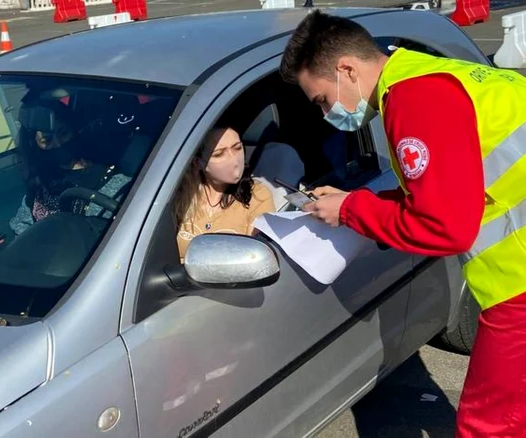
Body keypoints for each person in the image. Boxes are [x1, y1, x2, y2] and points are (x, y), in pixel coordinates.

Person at [278, 10, 526, 437]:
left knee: (490, 425)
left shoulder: (415, 100)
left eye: (321, 99)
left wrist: (352, 212)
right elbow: (450, 184)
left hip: (519, 284)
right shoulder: (436, 74)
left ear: (347, 70)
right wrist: (359, 200)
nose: (325, 114)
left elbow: (445, 227)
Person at [9, 100, 130, 236]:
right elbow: (20, 226)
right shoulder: (41, 180)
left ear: (74, 131)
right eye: (47, 140)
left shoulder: (112, 184)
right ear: (34, 144)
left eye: (63, 133)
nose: (58, 144)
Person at [174, 124, 275, 262]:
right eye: (219, 154)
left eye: (237, 148)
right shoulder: (179, 193)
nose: (234, 160)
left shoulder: (257, 195)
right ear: (198, 163)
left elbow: (254, 259)